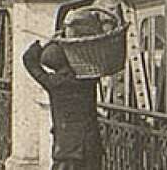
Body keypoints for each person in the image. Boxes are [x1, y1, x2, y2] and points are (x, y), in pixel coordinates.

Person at [23, 13, 106, 170]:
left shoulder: (54, 83)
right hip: (90, 145)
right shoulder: (87, 77)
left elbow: (29, 59)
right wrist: (68, 42)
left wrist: (45, 44)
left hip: (67, 150)